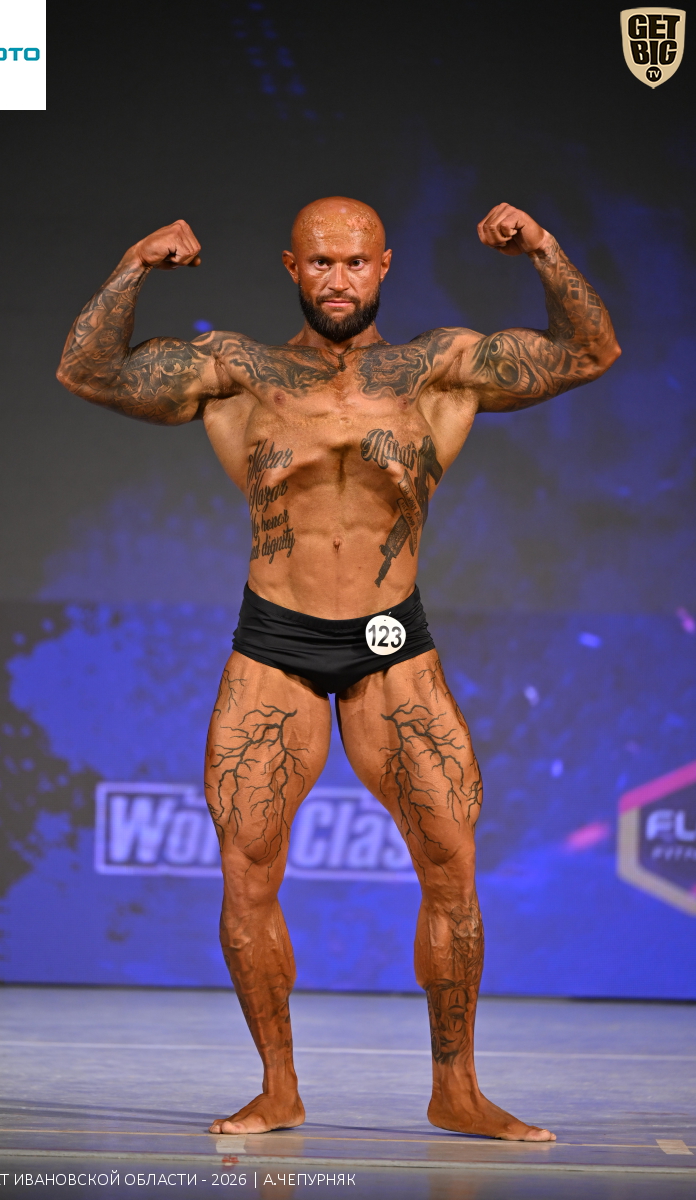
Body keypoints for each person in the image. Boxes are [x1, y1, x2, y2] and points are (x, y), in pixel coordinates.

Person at [56, 197, 620, 1141]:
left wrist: (545, 249)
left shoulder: (440, 367)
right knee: (247, 875)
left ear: (384, 266)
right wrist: (135, 264)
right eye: (320, 262)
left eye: (356, 262)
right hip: (275, 642)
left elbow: (591, 351)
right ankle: (278, 1087)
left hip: (391, 641)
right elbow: (87, 370)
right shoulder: (238, 372)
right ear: (292, 267)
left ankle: (456, 1090)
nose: (339, 279)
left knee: (453, 867)